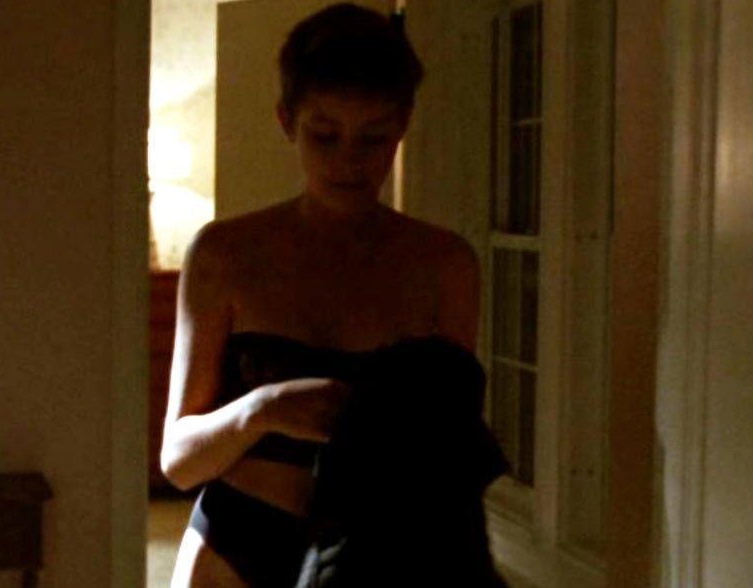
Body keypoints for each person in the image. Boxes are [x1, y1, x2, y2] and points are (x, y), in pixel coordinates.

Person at [161, 4, 502, 586]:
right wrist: (261, 411)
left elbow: (450, 455)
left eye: (373, 137)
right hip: (238, 541)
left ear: (403, 125)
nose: (350, 160)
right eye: (325, 135)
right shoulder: (225, 254)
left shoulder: (444, 265)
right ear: (286, 121)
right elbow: (179, 461)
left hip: (382, 550)